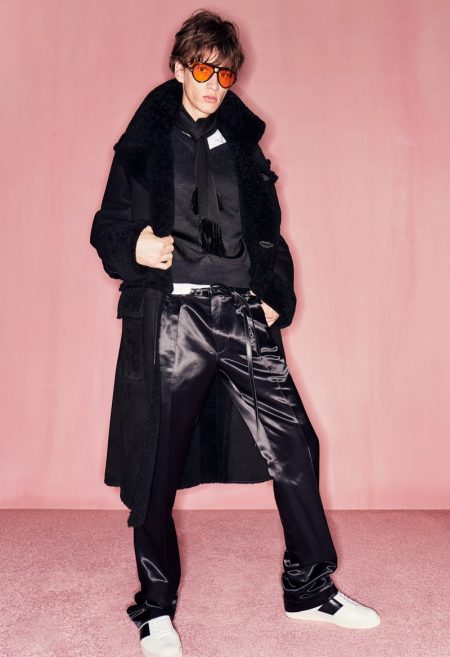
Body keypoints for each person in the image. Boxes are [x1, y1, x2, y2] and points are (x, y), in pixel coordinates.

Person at [90, 9, 380, 657]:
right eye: (202, 70)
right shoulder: (144, 143)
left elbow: (269, 234)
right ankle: (155, 607)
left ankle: (309, 589)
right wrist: (135, 245)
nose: (213, 84)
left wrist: (275, 294)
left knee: (296, 446)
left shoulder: (243, 142)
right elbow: (106, 225)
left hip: (243, 316)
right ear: (178, 69)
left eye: (224, 74)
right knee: (156, 464)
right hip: (173, 319)